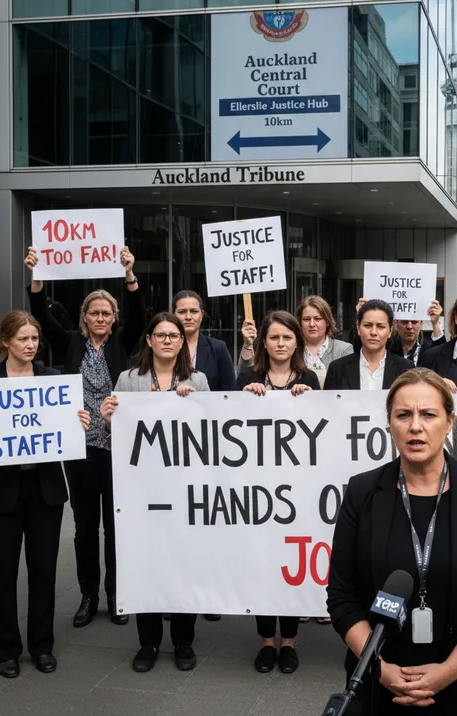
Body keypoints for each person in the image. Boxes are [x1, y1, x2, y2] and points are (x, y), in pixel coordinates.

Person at [326, 366, 457, 714]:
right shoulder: (362, 492)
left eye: (428, 414)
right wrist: (380, 668)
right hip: (379, 685)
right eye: (403, 415)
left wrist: (447, 672)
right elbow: (342, 595)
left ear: (449, 422)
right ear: (389, 423)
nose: (416, 426)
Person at [0, 311, 90, 678]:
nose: (31, 345)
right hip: (1, 493)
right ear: (5, 342)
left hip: (44, 489)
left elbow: (64, 432)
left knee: (43, 572)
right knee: (2, 575)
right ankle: (6, 650)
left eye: (34, 339)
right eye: (23, 339)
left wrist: (76, 424)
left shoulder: (52, 380)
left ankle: (41, 646)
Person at [24, 246, 144, 628]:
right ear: (84, 317)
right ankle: (89, 595)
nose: (100, 318)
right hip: (80, 448)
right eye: (94, 312)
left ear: (114, 318)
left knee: (116, 524)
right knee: (84, 526)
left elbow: (140, 316)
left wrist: (129, 274)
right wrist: (37, 279)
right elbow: (41, 314)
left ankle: (116, 594)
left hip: (118, 447)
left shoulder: (124, 344)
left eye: (107, 313)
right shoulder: (70, 344)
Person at [100, 312, 209, 673]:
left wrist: (196, 405)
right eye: (160, 335)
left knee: (185, 564)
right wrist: (109, 418)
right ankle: (147, 642)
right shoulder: (129, 381)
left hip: (184, 491)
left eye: (173, 335)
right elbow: (114, 439)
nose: (166, 340)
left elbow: (212, 435)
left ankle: (183, 640)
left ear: (182, 341)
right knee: (144, 563)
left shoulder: (198, 379)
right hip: (141, 492)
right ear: (148, 340)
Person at [236, 310, 320, 674]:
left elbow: (323, 426)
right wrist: (246, 396)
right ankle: (266, 642)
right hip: (259, 490)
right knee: (260, 564)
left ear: (296, 342)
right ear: (264, 342)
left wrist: (310, 397)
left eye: (287, 338)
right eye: (274, 338)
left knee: (290, 567)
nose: (281, 344)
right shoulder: (248, 376)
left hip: (298, 491)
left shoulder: (310, 378)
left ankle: (289, 642)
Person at [172, 289, 235, 623]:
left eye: (193, 311)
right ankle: (175, 594)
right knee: (178, 524)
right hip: (171, 453)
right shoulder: (162, 345)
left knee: (210, 523)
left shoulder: (218, 349)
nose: (187, 317)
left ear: (202, 314)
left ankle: (209, 592)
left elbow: (229, 394)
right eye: (181, 311)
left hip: (210, 448)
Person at [324, 300, 413, 391]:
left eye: (380, 326)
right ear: (358, 328)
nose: (373, 332)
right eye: (367, 325)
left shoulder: (405, 369)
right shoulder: (337, 369)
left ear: (390, 331)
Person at [295, 295, 354, 388]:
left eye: (318, 319)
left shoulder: (344, 350)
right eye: (306, 319)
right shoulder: (292, 349)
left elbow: (346, 387)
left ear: (327, 321)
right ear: (299, 322)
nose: (311, 324)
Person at [388, 300, 446, 366]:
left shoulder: (429, 348)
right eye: (404, 322)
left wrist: (435, 323)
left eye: (414, 322)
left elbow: (443, 356)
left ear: (421, 323)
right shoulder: (388, 348)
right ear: (396, 323)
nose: (409, 326)